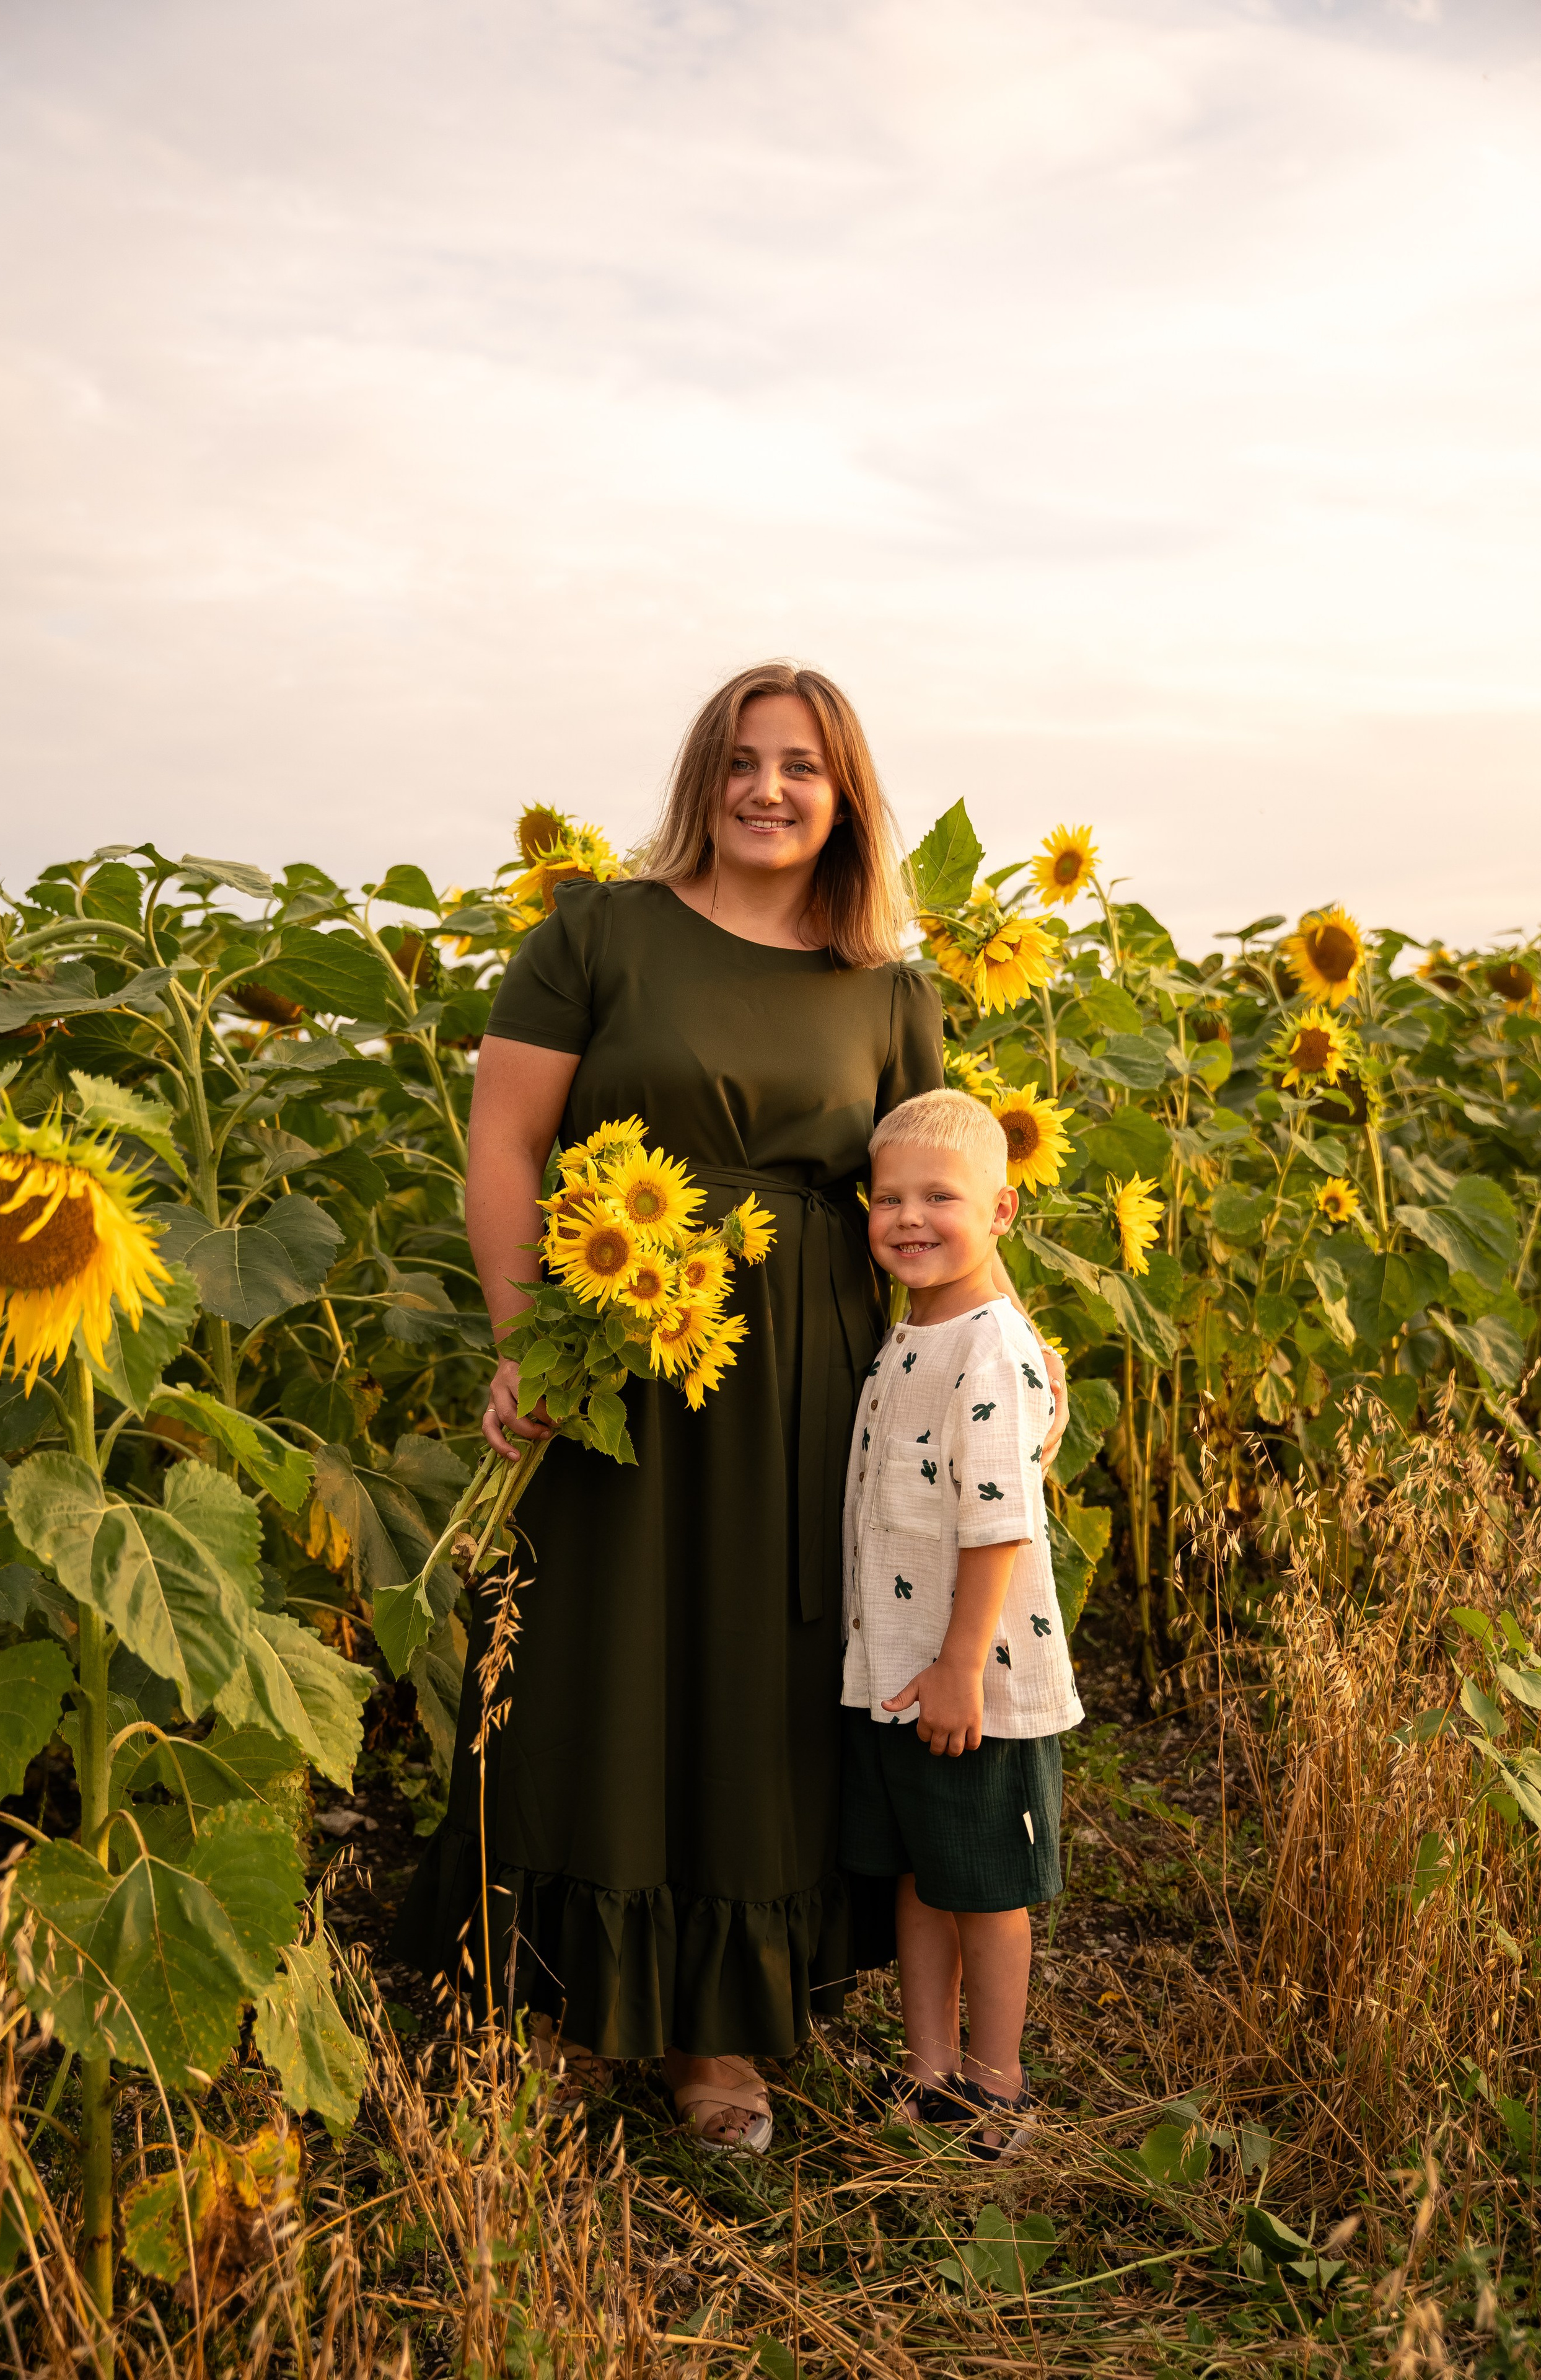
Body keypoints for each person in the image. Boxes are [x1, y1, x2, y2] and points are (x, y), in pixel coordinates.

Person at [396, 663, 1068, 2153]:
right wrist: (525, 1342)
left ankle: (720, 2037)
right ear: (705, 776)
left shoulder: (886, 985)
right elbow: (503, 1142)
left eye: (804, 769)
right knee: (590, 1652)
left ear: (845, 800)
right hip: (613, 1343)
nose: (771, 789)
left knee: (764, 1679)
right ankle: (564, 2004)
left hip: (812, 1374)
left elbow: (927, 1209)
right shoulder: (598, 933)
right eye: (745, 761)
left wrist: (989, 1379)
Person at [839, 1088, 1083, 2161]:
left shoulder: (992, 1346)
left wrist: (959, 1667)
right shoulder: (914, 1331)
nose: (909, 1216)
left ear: (1003, 1209)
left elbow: (998, 1526)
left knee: (985, 1885)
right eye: (888, 1196)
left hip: (974, 1672)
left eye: (940, 1195)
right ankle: (928, 2070)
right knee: (923, 1869)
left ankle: (998, 2085)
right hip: (903, 1667)